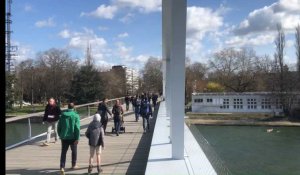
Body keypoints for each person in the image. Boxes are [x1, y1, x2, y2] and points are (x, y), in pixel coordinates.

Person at [58, 103, 81, 175]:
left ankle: (62, 167)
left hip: (64, 137)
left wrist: (60, 135)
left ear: (67, 107)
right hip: (73, 137)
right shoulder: (76, 115)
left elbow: (59, 127)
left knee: (63, 152)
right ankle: (73, 164)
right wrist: (77, 138)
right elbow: (77, 128)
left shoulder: (62, 115)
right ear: (74, 108)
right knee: (74, 151)